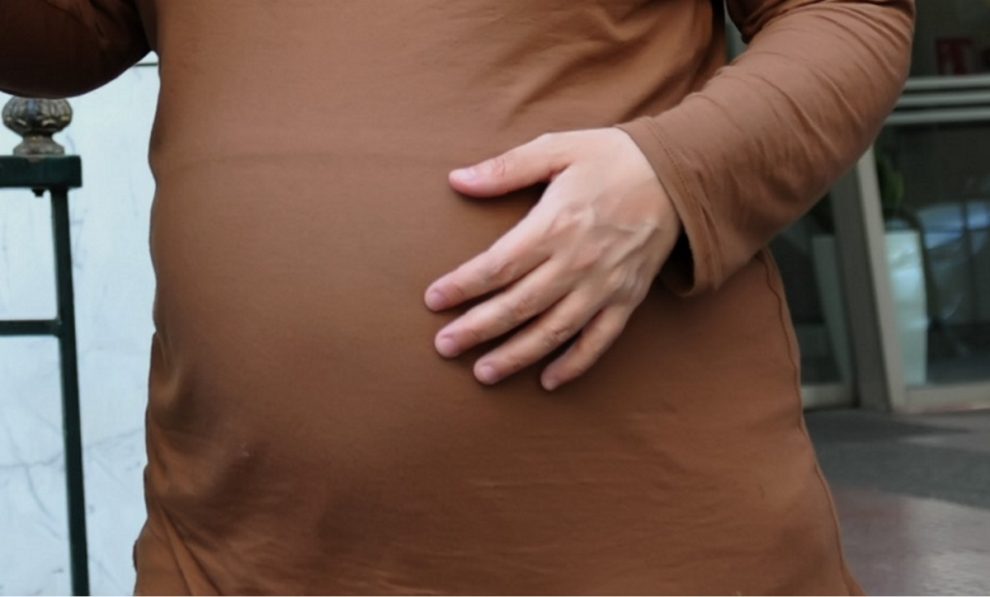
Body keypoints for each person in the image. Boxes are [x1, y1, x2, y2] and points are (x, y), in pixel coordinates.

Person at [0, 0, 914, 594]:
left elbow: (850, 13)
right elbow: (73, 29)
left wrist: (676, 174)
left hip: (636, 547)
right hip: (235, 554)